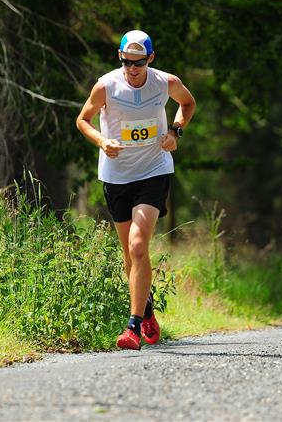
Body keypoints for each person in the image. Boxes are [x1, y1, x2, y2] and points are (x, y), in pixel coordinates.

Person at [76, 30, 196, 350]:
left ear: (150, 59)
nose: (131, 69)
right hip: (116, 175)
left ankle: (132, 327)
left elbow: (187, 103)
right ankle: (148, 310)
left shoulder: (165, 82)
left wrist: (175, 131)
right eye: (126, 62)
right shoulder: (106, 86)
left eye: (138, 63)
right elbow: (83, 120)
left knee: (139, 244)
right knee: (130, 255)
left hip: (154, 170)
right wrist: (102, 141)